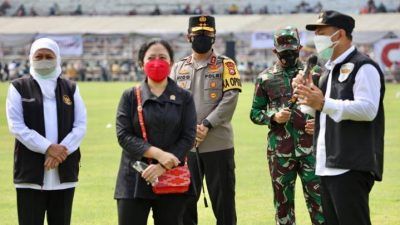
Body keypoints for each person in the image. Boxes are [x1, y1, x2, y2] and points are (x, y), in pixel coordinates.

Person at [293, 10, 385, 225]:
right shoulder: (328, 71)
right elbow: (319, 111)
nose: (317, 39)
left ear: (340, 34)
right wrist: (305, 95)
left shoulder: (364, 66)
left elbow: (368, 109)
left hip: (350, 164)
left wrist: (323, 103)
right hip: (327, 163)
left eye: (322, 32)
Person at [115, 39, 197, 225]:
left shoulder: (184, 98)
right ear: (140, 63)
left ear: (172, 63)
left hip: (171, 178)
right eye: (151, 57)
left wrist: (162, 166)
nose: (157, 62)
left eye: (163, 57)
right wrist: (158, 154)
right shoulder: (130, 96)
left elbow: (188, 136)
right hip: (134, 177)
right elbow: (123, 135)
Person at [5, 38, 87, 225]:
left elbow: (80, 125)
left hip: (64, 170)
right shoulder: (19, 87)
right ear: (31, 59)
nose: (44, 60)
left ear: (57, 58)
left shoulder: (71, 88)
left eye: (49, 56)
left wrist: (60, 152)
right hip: (30, 171)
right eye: (39, 56)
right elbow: (16, 126)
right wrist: (48, 147)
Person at [170, 15, 242, 225]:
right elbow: (171, 101)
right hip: (186, 147)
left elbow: (230, 99)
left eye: (207, 34)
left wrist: (207, 125)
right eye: (197, 34)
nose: (202, 38)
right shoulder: (178, 67)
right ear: (188, 37)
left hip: (218, 143)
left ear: (214, 37)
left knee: (224, 203)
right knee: (185, 203)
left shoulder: (225, 65)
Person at [250, 26, 324, 225]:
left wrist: (319, 122)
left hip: (312, 150)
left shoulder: (316, 74)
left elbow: (328, 107)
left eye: (292, 51)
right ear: (275, 51)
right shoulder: (265, 78)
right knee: (283, 207)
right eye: (283, 52)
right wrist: (273, 117)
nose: (288, 55)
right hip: (280, 152)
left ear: (300, 48)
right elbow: (255, 113)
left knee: (320, 205)